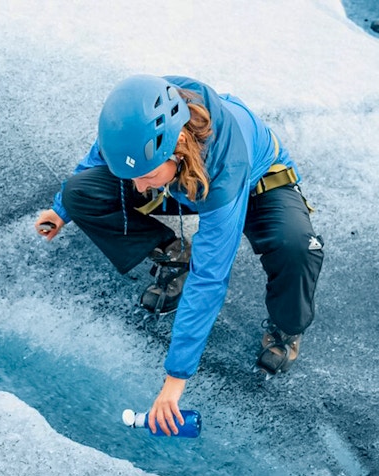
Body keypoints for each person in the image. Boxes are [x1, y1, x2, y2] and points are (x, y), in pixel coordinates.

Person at [35, 74, 324, 436]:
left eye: (147, 174)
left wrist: (175, 379)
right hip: (184, 180)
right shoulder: (140, 117)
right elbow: (99, 158)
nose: (138, 186)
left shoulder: (224, 164)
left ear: (179, 143)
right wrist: (62, 209)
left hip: (254, 186)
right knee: (82, 193)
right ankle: (174, 254)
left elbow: (210, 278)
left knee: (295, 247)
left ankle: (286, 326)